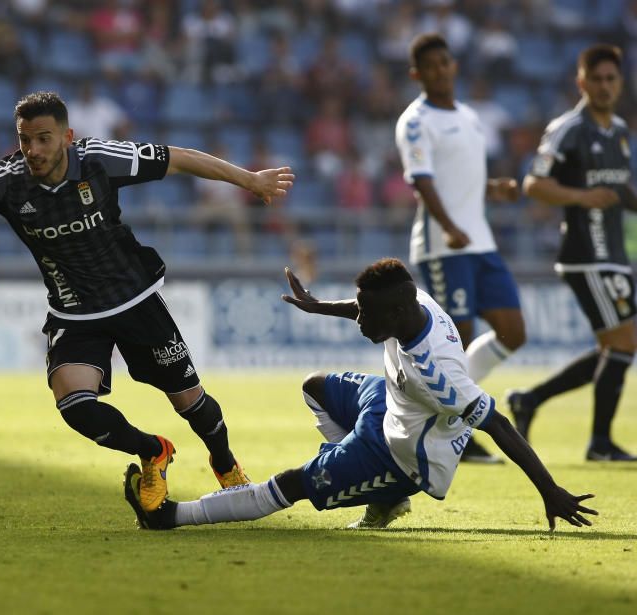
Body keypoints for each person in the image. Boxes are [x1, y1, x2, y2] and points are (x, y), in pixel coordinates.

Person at [0, 91, 294, 512]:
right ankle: (152, 451)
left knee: (191, 402)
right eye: (25, 140)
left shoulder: (101, 159)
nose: (33, 150)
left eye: (43, 139)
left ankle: (224, 463)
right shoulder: (6, 182)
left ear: (67, 137)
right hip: (74, 311)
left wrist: (249, 180)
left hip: (135, 299)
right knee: (75, 407)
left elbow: (181, 158)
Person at [123, 259, 598, 532]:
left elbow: (498, 426)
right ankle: (342, 465)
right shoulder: (411, 304)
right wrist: (316, 306)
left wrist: (549, 490)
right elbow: (360, 304)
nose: (360, 322)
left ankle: (170, 517)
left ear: (396, 313)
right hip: (386, 403)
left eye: (368, 316)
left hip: (403, 457)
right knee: (315, 386)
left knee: (291, 483)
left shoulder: (439, 374)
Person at [395, 33, 527, 464]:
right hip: (444, 248)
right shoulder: (415, 121)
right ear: (417, 74)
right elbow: (422, 181)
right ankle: (455, 432)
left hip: (481, 243)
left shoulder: (470, 117)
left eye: (446, 63)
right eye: (430, 66)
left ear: (454, 66)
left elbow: (461, 177)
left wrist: (494, 189)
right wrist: (449, 226)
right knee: (457, 337)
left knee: (513, 332)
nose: (441, 70)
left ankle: (453, 419)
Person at [508, 44, 637, 462]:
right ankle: (599, 443)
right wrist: (581, 196)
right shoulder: (567, 128)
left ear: (620, 83)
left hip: (614, 253)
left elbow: (618, 190)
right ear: (581, 81)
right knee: (625, 341)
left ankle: (530, 399)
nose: (603, 86)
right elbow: (533, 184)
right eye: (595, 79)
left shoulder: (618, 130)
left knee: (613, 348)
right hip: (586, 254)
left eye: (610, 79)